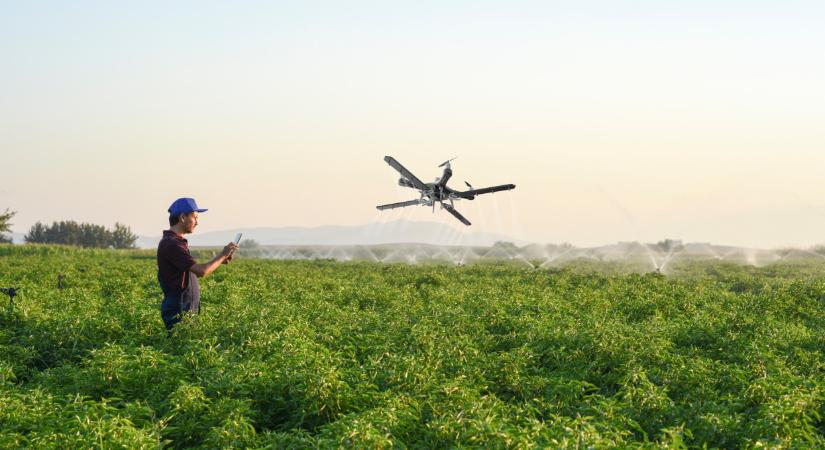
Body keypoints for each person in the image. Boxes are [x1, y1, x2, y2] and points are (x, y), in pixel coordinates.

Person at [157, 197, 238, 330]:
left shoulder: (174, 242)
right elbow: (202, 270)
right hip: (179, 309)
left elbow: (193, 269)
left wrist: (221, 260)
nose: (197, 222)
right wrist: (222, 254)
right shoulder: (171, 244)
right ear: (183, 217)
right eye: (195, 217)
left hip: (185, 307)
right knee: (180, 346)